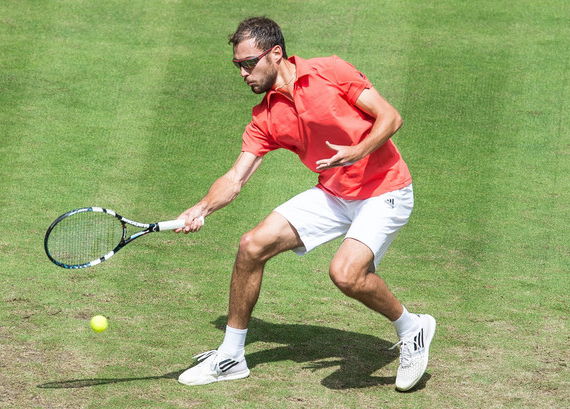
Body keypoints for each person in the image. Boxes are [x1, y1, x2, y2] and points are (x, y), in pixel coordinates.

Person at [174, 16, 435, 391]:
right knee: (252, 246)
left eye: (249, 63)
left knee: (346, 275)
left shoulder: (331, 71)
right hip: (333, 193)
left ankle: (413, 328)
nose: (244, 73)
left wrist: (356, 151)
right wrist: (200, 209)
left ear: (275, 53)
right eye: (238, 66)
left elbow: (390, 116)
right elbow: (235, 179)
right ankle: (231, 356)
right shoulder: (265, 116)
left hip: (385, 190)